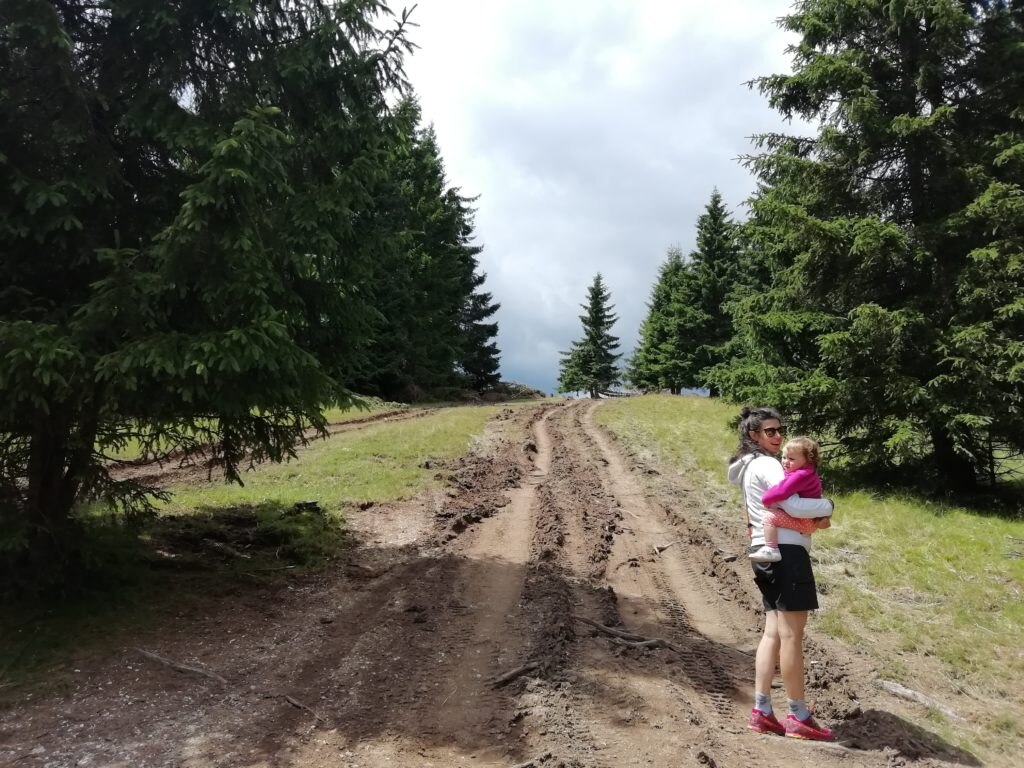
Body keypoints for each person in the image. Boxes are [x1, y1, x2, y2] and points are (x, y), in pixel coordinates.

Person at [727, 407, 834, 741]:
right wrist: (828, 507)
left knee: (772, 633)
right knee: (791, 635)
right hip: (786, 552)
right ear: (754, 435)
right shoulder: (769, 464)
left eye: (780, 430)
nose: (778, 436)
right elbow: (792, 504)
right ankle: (798, 714)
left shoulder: (745, 468)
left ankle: (762, 710)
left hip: (763, 551)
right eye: (770, 431)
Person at [748, 436, 828, 563]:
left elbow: (782, 490)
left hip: (805, 521)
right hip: (808, 518)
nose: (785, 461)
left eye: (791, 459)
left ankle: (771, 549)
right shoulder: (807, 472)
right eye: (784, 457)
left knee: (769, 517)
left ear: (808, 461)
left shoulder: (801, 475)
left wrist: (766, 499)